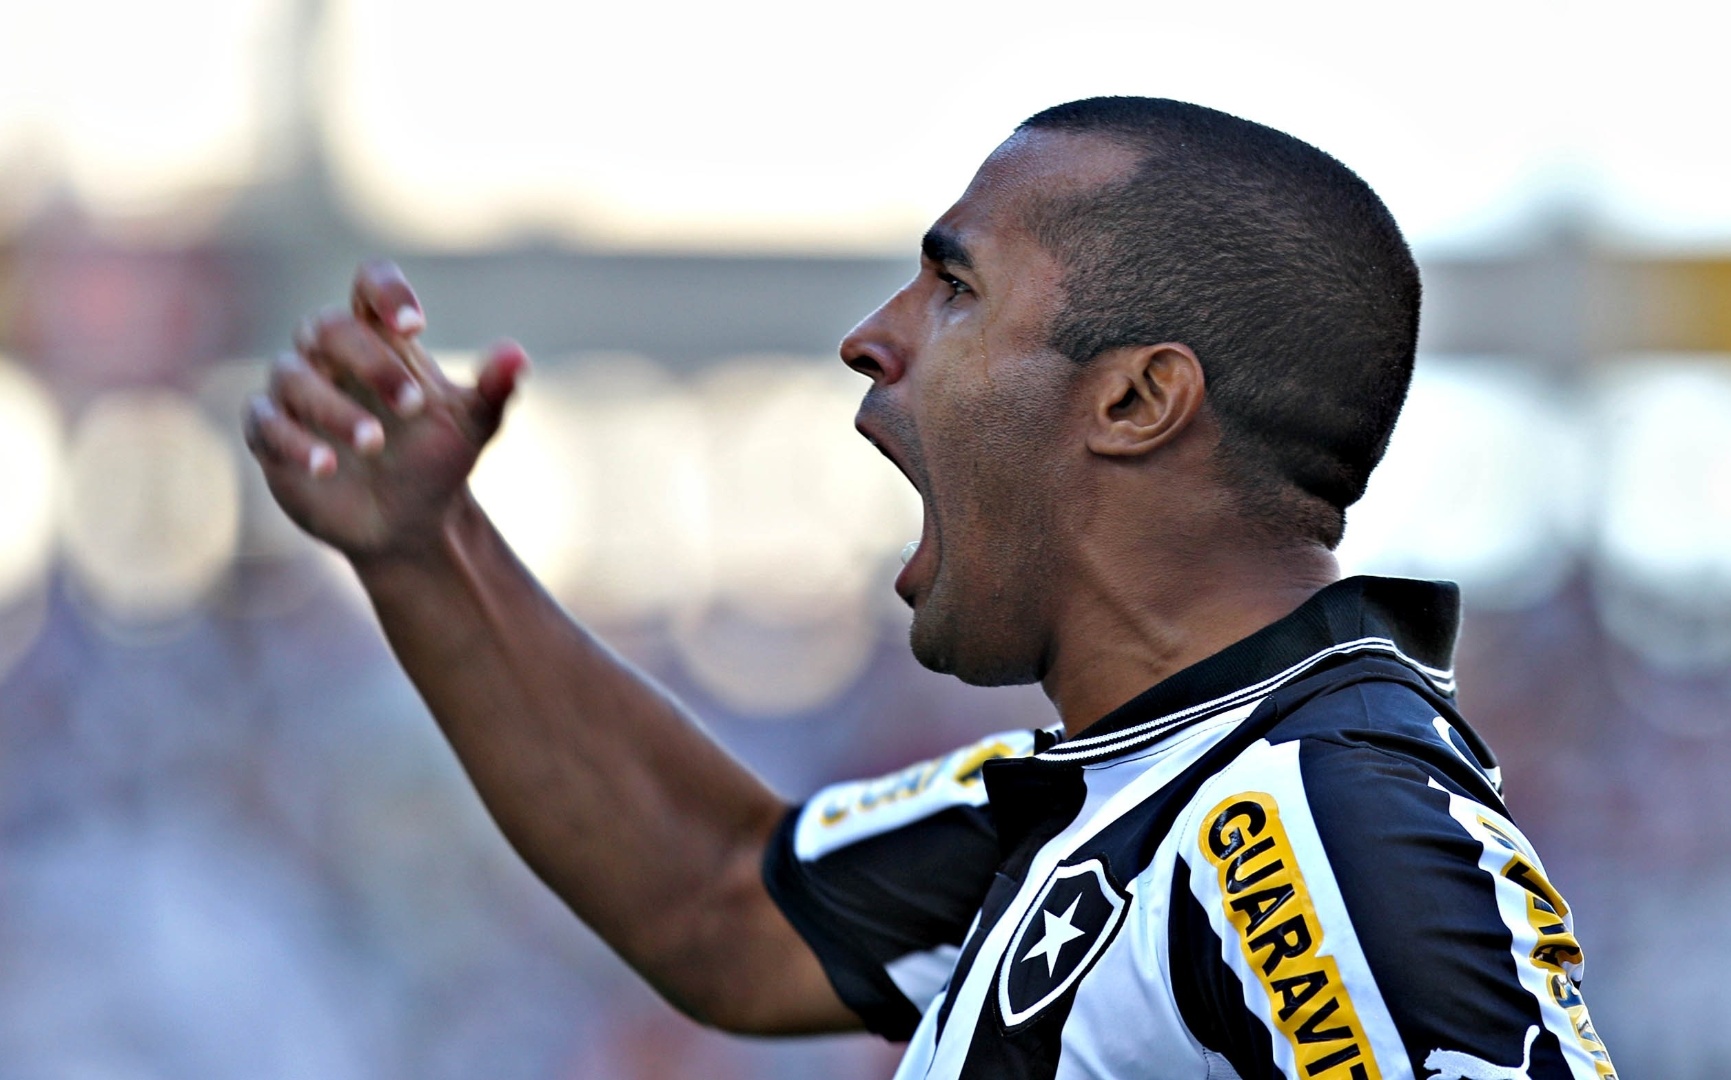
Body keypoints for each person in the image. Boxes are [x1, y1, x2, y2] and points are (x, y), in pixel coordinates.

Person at [245, 97, 1617, 1079]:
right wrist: (423, 547)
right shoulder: (1132, 786)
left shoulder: (1316, 824)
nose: (869, 339)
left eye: (954, 290)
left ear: (1137, 400)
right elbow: (721, 904)